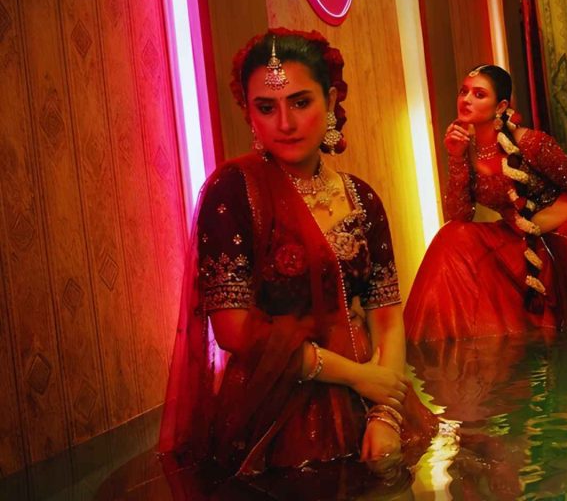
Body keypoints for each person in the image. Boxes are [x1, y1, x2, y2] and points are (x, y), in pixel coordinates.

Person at [159, 29, 437, 480]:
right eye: (266, 108)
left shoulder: (362, 198)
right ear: (249, 113)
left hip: (371, 397)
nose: (284, 122)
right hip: (275, 408)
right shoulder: (234, 192)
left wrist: (385, 413)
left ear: (330, 101)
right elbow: (232, 331)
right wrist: (356, 376)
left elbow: (386, 316)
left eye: (301, 102)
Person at [404, 65, 567, 341]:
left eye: (478, 94)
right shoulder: (467, 151)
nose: (466, 99)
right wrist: (455, 157)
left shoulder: (532, 143)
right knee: (452, 237)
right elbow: (459, 214)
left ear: (501, 106)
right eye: (464, 92)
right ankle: (447, 341)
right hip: (520, 237)